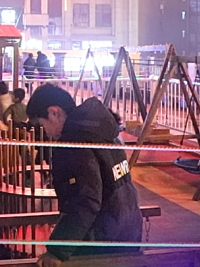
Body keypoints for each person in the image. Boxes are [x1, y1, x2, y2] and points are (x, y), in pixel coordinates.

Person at [26, 84, 142, 266]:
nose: (45, 132)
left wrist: (57, 251)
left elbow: (85, 199)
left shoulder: (73, 144)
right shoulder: (102, 131)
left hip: (99, 241)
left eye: (41, 124)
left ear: (54, 112)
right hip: (127, 228)